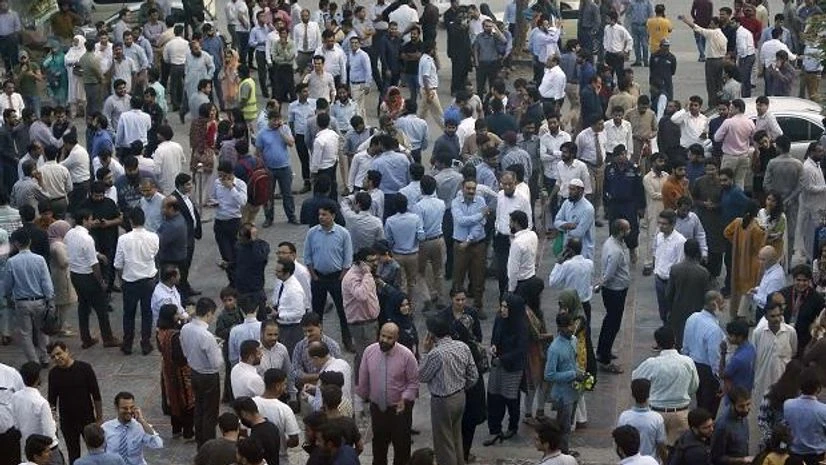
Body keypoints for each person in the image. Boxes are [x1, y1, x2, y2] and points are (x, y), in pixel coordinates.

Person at [356, 322, 418, 465]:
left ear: (396, 338)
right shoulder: (369, 351)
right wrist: (360, 402)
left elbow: (413, 383)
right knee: (378, 447)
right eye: (382, 336)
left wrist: (405, 398)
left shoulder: (407, 356)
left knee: (402, 448)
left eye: (389, 337)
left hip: (399, 410)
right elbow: (363, 379)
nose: (384, 340)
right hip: (377, 408)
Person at [65, 209, 120, 349]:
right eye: (90, 219)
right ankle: (107, 337)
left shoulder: (69, 234)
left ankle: (86, 338)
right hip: (88, 276)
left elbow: (80, 251)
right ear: (84, 220)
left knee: (83, 306)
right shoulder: (87, 238)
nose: (92, 222)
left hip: (75, 275)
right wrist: (101, 281)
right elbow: (93, 264)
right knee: (101, 308)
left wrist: (97, 254)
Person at [304, 205, 354, 350]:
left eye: (324, 214)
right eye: (320, 214)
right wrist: (313, 275)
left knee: (342, 311)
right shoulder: (312, 233)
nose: (321, 217)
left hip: (336, 278)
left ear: (333, 216)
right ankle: (317, 340)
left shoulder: (343, 233)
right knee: (317, 312)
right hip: (318, 277)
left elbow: (347, 258)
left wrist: (342, 276)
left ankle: (347, 340)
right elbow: (307, 256)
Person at [483, 293, 528, 446]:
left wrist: (503, 358)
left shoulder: (521, 325)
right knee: (494, 396)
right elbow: (495, 336)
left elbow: (521, 350)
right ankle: (495, 428)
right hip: (498, 364)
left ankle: (512, 425)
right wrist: (494, 346)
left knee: (511, 398)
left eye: (505, 307)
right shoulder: (500, 320)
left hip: (512, 368)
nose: (502, 310)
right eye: (501, 306)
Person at [46, 341, 102, 464]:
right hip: (68, 422)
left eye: (59, 354)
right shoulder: (53, 374)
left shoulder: (85, 368)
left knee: (96, 451)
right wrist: (53, 423)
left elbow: (96, 395)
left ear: (67, 351)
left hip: (87, 419)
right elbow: (52, 402)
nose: (57, 358)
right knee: (73, 454)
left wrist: (99, 419)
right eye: (53, 357)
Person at [4, 229, 53, 364]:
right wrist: (49, 298)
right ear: (30, 242)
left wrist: (8, 297)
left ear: (16, 244)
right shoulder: (39, 259)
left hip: (21, 302)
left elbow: (8, 284)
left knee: (25, 333)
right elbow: (46, 281)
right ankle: (45, 357)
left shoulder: (12, 262)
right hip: (40, 300)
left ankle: (33, 361)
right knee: (42, 330)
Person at [114, 208, 159, 356]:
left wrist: (121, 279)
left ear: (131, 221)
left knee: (129, 314)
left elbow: (118, 264)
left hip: (130, 280)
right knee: (147, 312)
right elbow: (155, 254)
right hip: (148, 279)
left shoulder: (123, 239)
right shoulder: (154, 237)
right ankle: (145, 343)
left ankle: (127, 344)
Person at [180, 297, 223, 447]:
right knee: (210, 412)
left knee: (199, 407)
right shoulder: (206, 336)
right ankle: (208, 445)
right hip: (209, 376)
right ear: (209, 313)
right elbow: (216, 363)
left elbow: (185, 352)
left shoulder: (185, 328)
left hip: (194, 372)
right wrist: (219, 348)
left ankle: (200, 440)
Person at [154, 304, 195, 441]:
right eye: (176, 314)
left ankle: (176, 429)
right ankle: (188, 432)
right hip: (180, 373)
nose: (179, 315)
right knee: (186, 401)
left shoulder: (159, 331)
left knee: (172, 399)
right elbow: (181, 358)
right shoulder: (174, 335)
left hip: (166, 370)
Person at [683, 291, 727, 417]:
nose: (724, 306)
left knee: (700, 400)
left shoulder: (693, 317)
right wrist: (720, 381)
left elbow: (685, 344)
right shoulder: (714, 330)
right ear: (714, 304)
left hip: (692, 364)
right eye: (722, 303)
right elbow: (715, 358)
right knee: (709, 408)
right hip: (707, 371)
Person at [544, 312, 582, 455]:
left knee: (569, 424)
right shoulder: (554, 349)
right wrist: (572, 374)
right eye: (568, 327)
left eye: (572, 325)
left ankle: (564, 450)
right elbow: (549, 375)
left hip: (573, 390)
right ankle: (562, 453)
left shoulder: (573, 340)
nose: (572, 329)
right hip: (562, 395)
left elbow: (574, 361)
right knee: (562, 426)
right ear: (561, 328)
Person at [596, 219, 631, 372]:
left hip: (614, 288)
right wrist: (601, 283)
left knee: (609, 320)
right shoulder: (615, 251)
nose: (629, 232)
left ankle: (602, 350)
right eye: (627, 229)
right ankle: (605, 359)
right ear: (621, 232)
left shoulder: (610, 242)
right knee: (613, 324)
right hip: (615, 290)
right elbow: (610, 272)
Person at [724, 200, 767, 320]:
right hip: (751, 263)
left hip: (738, 260)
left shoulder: (737, 222)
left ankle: (735, 312)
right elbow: (759, 247)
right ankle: (744, 316)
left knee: (737, 288)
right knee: (749, 291)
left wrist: (737, 244)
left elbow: (726, 233)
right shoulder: (757, 229)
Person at [12, 362, 61, 463]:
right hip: (46, 451)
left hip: (29, 448)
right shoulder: (41, 403)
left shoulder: (15, 397)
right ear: (38, 378)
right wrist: (54, 422)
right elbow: (49, 433)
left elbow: (16, 424)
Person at [666, 239, 711, 347]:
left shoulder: (675, 269)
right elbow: (707, 295)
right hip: (697, 310)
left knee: (680, 339)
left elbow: (669, 293)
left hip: (678, 310)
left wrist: (669, 309)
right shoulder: (703, 272)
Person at [101, 392, 163, 465]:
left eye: (131, 407)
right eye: (125, 408)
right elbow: (101, 453)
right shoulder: (105, 428)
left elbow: (157, 444)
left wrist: (142, 421)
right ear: (116, 407)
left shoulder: (141, 427)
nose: (129, 411)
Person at [752, 301, 797, 401]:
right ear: (766, 317)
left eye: (779, 315)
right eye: (772, 316)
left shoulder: (790, 332)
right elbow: (754, 358)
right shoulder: (758, 333)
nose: (777, 319)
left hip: (783, 383)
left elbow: (793, 353)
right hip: (762, 383)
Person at [783, 369, 826, 464]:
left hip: (793, 456)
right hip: (816, 458)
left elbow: (785, 427)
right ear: (818, 388)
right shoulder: (823, 410)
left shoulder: (787, 404)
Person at [653, 210, 686, 325]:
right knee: (662, 311)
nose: (661, 226)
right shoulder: (659, 236)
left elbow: (680, 262)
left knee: (672, 312)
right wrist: (656, 271)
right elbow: (656, 254)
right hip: (659, 279)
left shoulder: (680, 241)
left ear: (672, 224)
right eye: (659, 223)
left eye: (664, 224)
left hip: (671, 282)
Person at [710, 386, 753, 465]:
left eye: (748, 404)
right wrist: (742, 460)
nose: (746, 409)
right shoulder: (722, 426)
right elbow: (717, 457)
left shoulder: (742, 416)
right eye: (741, 406)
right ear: (732, 405)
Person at [231, 397, 281, 465]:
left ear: (243, 414)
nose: (240, 421)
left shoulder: (256, 437)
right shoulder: (272, 427)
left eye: (239, 417)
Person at [554, 178, 595, 259]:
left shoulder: (588, 208)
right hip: (567, 249)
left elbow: (578, 234)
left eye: (573, 189)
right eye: (569, 189)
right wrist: (567, 225)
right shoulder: (567, 203)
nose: (570, 192)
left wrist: (563, 227)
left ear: (581, 191)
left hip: (583, 251)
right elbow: (556, 222)